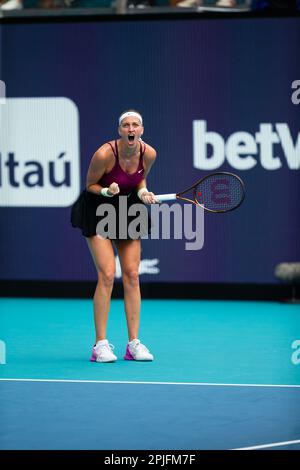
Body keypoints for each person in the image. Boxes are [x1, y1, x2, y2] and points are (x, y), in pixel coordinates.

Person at [71, 110, 157, 363]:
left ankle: (133, 345)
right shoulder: (105, 154)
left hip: (129, 209)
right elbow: (90, 186)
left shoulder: (149, 153)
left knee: (131, 274)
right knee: (108, 273)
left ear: (141, 130)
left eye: (136, 125)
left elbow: (141, 182)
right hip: (99, 207)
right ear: (120, 130)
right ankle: (100, 345)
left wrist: (143, 193)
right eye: (126, 125)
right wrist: (108, 191)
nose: (131, 129)